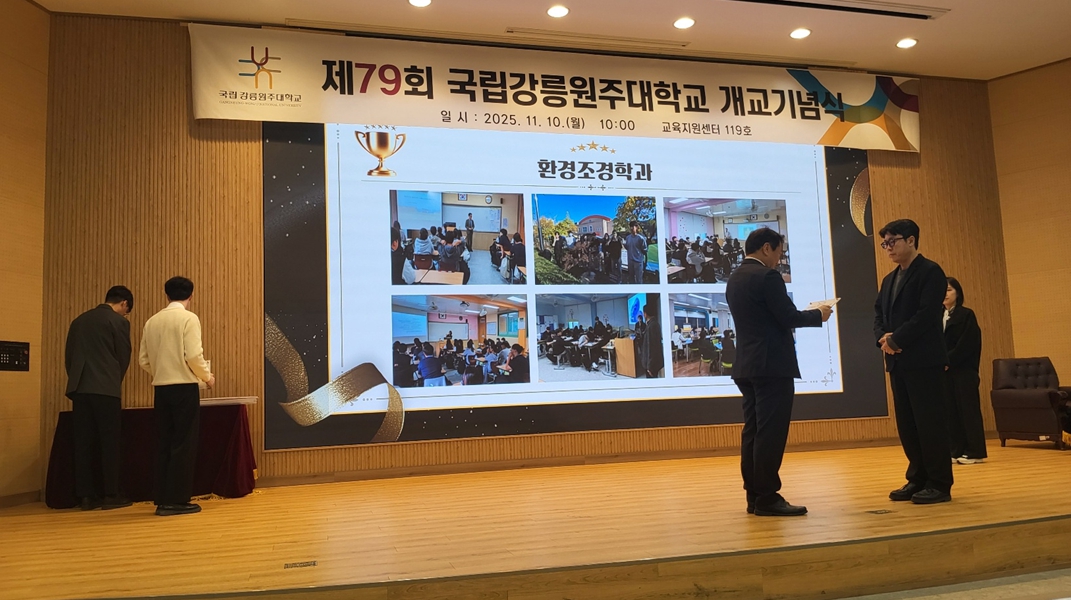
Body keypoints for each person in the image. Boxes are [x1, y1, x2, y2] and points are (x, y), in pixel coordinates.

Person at [726, 228, 831, 517]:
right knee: (770, 433)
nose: (779, 259)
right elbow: (787, 317)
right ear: (766, 248)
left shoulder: (735, 278)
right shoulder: (767, 276)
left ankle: (754, 496)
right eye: (779, 252)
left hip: (746, 365)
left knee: (753, 431)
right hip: (771, 366)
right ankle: (768, 497)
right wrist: (819, 314)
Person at [874, 219, 953, 505]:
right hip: (898, 363)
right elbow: (878, 315)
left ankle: (939, 483)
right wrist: (882, 338)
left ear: (910, 240)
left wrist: (896, 340)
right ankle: (917, 478)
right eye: (885, 243)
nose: (888, 248)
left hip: (924, 361)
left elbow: (927, 315)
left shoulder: (930, 272)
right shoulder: (889, 279)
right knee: (908, 425)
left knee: (930, 423)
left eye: (892, 241)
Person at [139, 276, 214, 516]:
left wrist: (162, 371)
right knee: (184, 443)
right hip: (184, 387)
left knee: (164, 441)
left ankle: (162, 498)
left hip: (161, 388)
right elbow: (193, 355)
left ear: (166, 295)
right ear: (191, 296)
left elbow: (143, 360)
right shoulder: (188, 318)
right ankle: (178, 500)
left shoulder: (152, 321)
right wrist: (207, 376)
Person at [64, 285, 135, 511]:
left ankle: (86, 496)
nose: (125, 314)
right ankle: (111, 494)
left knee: (83, 443)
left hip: (80, 388)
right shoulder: (119, 322)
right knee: (109, 443)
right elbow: (123, 356)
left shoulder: (79, 321)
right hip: (106, 390)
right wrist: (113, 379)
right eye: (127, 310)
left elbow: (69, 357)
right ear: (124, 303)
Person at [943, 277, 987, 465]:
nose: (945, 294)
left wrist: (947, 361)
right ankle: (956, 450)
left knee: (968, 411)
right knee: (950, 411)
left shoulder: (966, 315)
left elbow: (967, 344)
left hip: (963, 371)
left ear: (958, 293)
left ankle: (975, 451)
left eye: (949, 290)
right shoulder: (937, 316)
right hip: (945, 372)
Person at [639, 299, 663, 378]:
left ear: (645, 314)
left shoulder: (651, 326)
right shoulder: (655, 324)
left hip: (652, 365)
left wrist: (650, 367)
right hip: (654, 363)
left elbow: (651, 347)